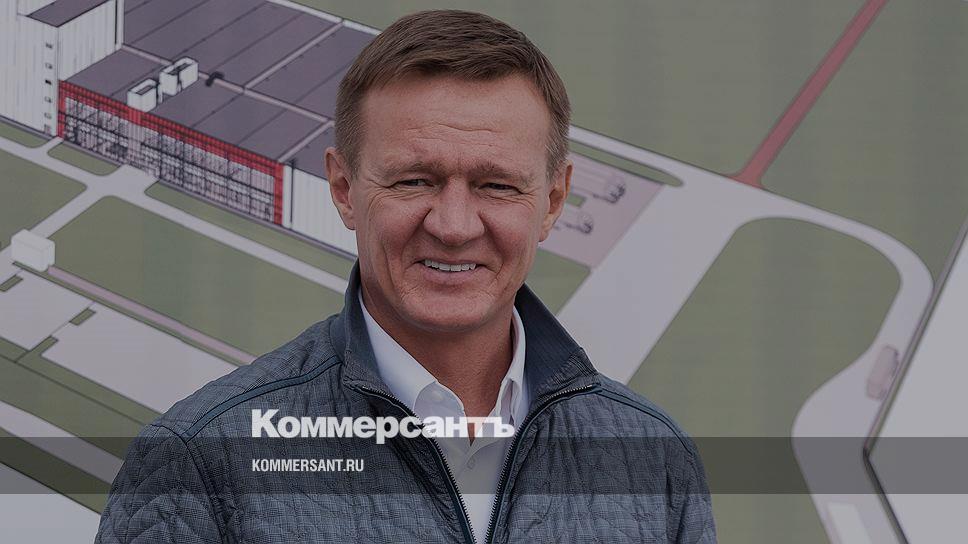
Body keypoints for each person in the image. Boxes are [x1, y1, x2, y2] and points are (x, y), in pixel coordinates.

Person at [96, 9, 716, 543]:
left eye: (497, 186)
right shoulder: (202, 461)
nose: (453, 226)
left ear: (553, 201)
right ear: (344, 189)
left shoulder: (654, 458)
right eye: (414, 181)